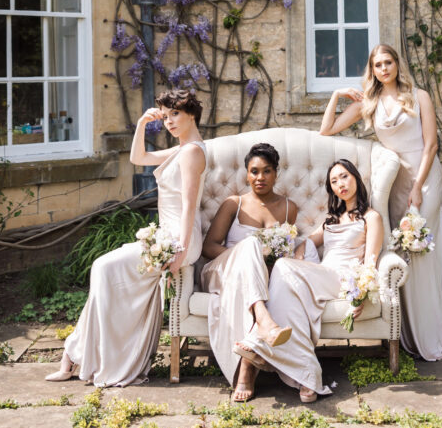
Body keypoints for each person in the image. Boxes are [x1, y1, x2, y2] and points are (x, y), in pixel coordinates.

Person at [318, 42, 442, 361]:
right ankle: (405, 332)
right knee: (400, 254)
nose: (384, 69)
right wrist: (336, 96)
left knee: (420, 251)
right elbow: (327, 130)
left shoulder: (419, 97)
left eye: (388, 62)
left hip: (424, 175)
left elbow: (431, 145)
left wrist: (418, 185)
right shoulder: (370, 102)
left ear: (396, 64)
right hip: (396, 181)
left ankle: (432, 331)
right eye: (378, 65)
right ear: (372, 70)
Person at [46, 88, 207, 386]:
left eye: (176, 114)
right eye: (166, 116)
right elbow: (138, 157)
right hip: (166, 237)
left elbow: (188, 206)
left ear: (192, 115)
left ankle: (79, 356)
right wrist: (143, 124)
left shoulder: (193, 152)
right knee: (103, 272)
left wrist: (181, 251)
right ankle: (74, 354)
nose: (169, 122)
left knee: (104, 268)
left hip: (177, 240)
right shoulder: (184, 148)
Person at [234, 159, 383, 401]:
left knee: (282, 265)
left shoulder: (371, 217)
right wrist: (301, 256)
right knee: (288, 292)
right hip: (323, 274)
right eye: (334, 181)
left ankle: (256, 341)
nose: (340, 184)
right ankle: (308, 375)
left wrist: (360, 294)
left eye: (344, 176)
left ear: (355, 177)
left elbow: (371, 261)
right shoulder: (332, 220)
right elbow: (308, 242)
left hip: (342, 281)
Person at [200, 142, 298, 402]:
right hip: (222, 270)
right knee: (251, 245)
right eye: (254, 171)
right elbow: (208, 247)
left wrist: (263, 263)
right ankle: (264, 322)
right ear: (246, 173)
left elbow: (283, 253)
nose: (260, 177)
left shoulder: (290, 209)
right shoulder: (234, 203)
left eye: (266, 171)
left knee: (269, 277)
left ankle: (246, 368)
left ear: (276, 173)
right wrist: (247, 257)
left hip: (260, 279)